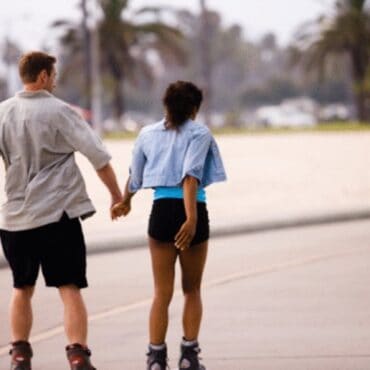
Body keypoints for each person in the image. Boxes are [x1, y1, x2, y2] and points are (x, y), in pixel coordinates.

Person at [0, 51, 123, 370]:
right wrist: (116, 195)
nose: (55, 81)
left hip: (15, 219)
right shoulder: (61, 111)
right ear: (41, 76)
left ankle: (19, 355)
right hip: (58, 216)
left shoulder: (2, 113)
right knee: (70, 288)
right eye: (53, 75)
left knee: (21, 287)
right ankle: (78, 355)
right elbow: (98, 157)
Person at [112, 81, 227, 370]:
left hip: (160, 213)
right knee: (192, 290)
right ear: (194, 109)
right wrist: (191, 218)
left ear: (166, 106)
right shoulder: (199, 133)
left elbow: (135, 176)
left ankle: (155, 358)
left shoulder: (147, 134)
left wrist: (125, 201)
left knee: (161, 293)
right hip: (193, 211)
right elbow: (190, 177)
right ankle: (188, 357)